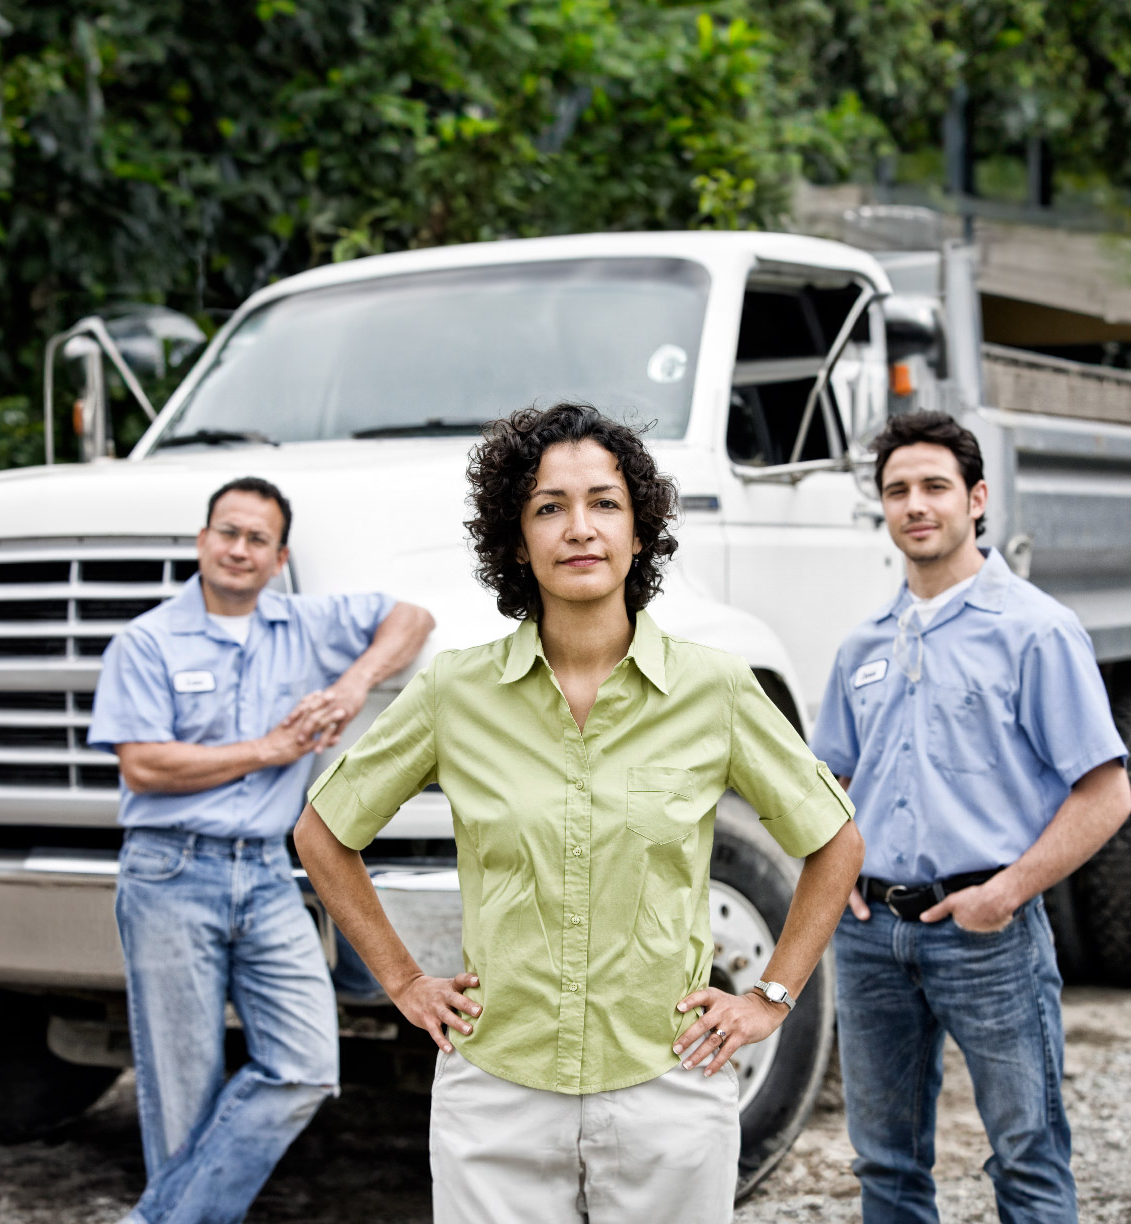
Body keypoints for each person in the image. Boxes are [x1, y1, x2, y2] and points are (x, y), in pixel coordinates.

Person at [294, 404, 865, 1224]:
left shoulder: (716, 688)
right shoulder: (456, 691)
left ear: (640, 534)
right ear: (517, 542)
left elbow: (836, 841)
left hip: (670, 1088)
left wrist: (771, 996)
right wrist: (405, 981)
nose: (579, 528)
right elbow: (322, 833)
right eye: (548, 507)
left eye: (604, 503)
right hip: (494, 1095)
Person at [87, 475, 434, 1224]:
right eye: (227, 532)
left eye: (257, 539)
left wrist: (351, 687)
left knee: (308, 1065)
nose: (239, 549)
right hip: (170, 870)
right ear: (201, 541)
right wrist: (271, 749)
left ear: (279, 559)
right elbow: (144, 764)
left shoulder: (304, 625)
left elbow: (413, 618)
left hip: (270, 874)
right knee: (182, 1091)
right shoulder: (146, 642)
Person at [811, 411, 1130, 1224]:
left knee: (1026, 1157)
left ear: (976, 498)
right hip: (870, 938)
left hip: (988, 931)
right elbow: (828, 781)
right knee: (884, 1164)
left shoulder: (1036, 631)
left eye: (934, 487)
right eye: (896, 491)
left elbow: (1105, 793)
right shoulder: (862, 646)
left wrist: (1008, 891)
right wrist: (835, 873)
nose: (915, 505)